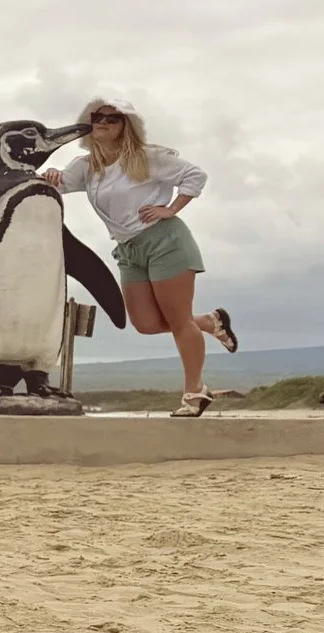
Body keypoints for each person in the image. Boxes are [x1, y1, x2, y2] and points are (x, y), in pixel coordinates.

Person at [44, 97, 237, 418]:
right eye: (97, 117)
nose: (103, 121)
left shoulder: (146, 158)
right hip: (128, 249)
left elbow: (195, 176)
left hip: (165, 241)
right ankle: (208, 322)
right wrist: (51, 174)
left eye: (112, 118)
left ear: (125, 126)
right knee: (145, 324)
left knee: (178, 321)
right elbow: (59, 185)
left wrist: (171, 209)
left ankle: (194, 392)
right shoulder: (86, 166)